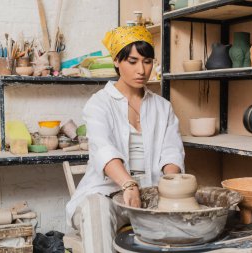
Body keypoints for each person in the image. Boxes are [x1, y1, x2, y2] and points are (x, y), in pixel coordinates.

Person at [65, 25, 185, 252]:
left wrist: (172, 187)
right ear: (117, 61)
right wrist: (128, 184)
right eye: (132, 61)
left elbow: (172, 152)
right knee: (95, 207)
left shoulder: (163, 107)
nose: (142, 69)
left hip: (151, 198)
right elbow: (103, 149)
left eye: (147, 61)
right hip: (108, 197)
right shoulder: (99, 103)